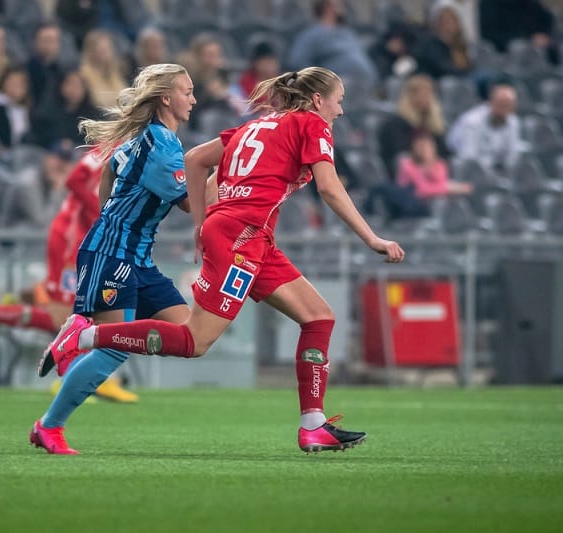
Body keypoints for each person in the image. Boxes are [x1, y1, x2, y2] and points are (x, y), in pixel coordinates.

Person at [43, 67, 406, 454]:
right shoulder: (311, 125)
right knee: (191, 341)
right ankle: (81, 339)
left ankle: (313, 425)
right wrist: (372, 238)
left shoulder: (260, 125)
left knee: (318, 317)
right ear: (318, 100)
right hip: (234, 236)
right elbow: (330, 188)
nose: (341, 110)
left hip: (249, 236)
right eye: (339, 100)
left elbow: (197, 159)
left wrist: (203, 222)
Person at [29, 63, 198, 454]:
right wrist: (223, 172)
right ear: (166, 98)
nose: (193, 98)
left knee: (188, 334)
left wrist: (111, 214)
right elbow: (191, 203)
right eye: (187, 91)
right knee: (114, 349)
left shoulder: (146, 139)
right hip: (114, 254)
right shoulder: (161, 147)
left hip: (134, 256)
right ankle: (49, 426)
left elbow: (109, 170)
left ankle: (81, 332)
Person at [0, 148, 138, 402]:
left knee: (98, 307)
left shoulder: (135, 148)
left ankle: (102, 377)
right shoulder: (106, 149)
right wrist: (103, 213)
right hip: (70, 240)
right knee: (63, 318)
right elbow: (75, 180)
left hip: (93, 240)